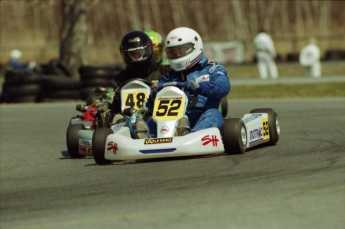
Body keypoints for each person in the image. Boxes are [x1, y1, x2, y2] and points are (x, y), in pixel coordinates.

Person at [136, 27, 230, 138]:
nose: (177, 55)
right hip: (170, 118)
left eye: (182, 51)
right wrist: (153, 97)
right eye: (173, 52)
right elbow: (153, 108)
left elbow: (223, 86)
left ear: (195, 47)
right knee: (152, 119)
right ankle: (145, 137)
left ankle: (192, 136)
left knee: (213, 114)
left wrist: (200, 87)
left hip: (201, 114)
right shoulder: (168, 77)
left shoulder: (212, 70)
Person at [81, 30, 170, 133]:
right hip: (127, 120)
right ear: (124, 55)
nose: (137, 58)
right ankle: (132, 130)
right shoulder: (121, 78)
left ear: (149, 51)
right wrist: (113, 96)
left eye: (140, 54)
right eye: (132, 54)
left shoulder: (163, 71)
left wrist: (160, 85)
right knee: (115, 116)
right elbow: (112, 102)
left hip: (158, 115)